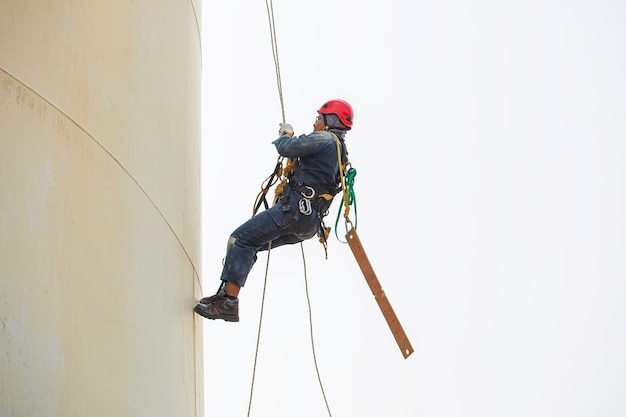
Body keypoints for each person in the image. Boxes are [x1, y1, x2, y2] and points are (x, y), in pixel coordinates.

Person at [194, 99, 354, 322]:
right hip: (306, 224)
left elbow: (287, 148)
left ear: (330, 121)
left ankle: (229, 302)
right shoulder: (340, 153)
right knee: (251, 245)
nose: (315, 122)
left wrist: (286, 134)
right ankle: (225, 296)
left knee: (240, 240)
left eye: (319, 118)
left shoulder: (326, 139)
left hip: (295, 213)